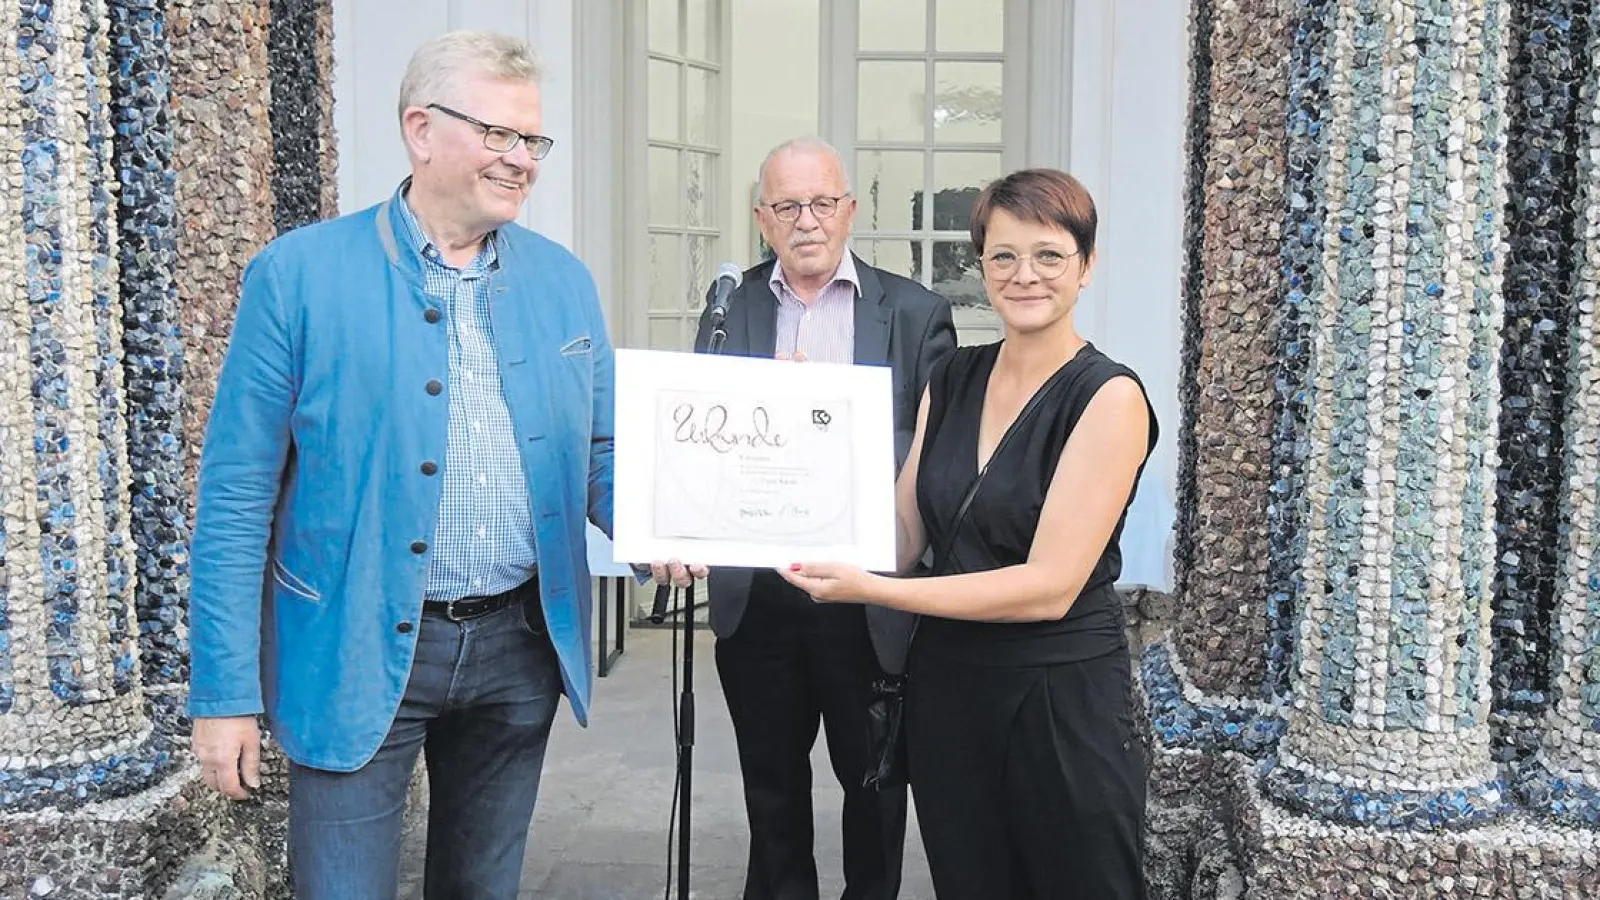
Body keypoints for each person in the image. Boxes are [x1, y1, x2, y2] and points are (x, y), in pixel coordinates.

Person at [186, 31, 616, 899]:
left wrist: (671, 518)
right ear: (422, 130)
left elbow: (602, 449)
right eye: (499, 134)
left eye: (532, 140)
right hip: (349, 646)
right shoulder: (297, 274)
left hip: (516, 648)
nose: (521, 159)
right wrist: (224, 693)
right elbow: (236, 496)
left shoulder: (564, 280)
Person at [777, 168, 1157, 899]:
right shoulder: (952, 376)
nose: (1025, 276)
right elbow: (902, 536)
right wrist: (803, 438)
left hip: (1058, 696)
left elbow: (1048, 587)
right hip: (950, 690)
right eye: (1003, 256)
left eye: (1049, 255)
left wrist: (871, 590)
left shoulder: (1108, 397)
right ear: (980, 266)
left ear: (1087, 265)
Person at [656, 137, 955, 900]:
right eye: (788, 206)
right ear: (763, 219)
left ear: (850, 210)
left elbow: (936, 445)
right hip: (759, 596)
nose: (808, 221)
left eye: (823, 203)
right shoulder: (731, 307)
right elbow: (702, 434)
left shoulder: (916, 313)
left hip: (865, 597)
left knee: (875, 786)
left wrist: (819, 414)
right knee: (771, 788)